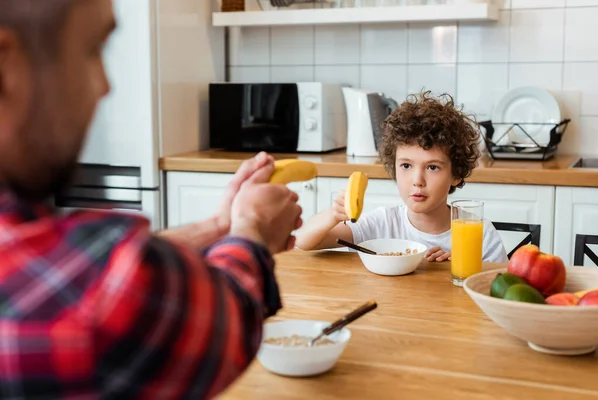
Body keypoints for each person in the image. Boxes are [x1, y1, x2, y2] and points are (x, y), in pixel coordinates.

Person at [0, 0, 301, 398]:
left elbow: (69, 267)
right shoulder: (104, 296)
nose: (106, 86)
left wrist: (218, 227)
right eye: (93, 50)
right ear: (6, 68)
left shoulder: (44, 258)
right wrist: (253, 231)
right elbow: (228, 317)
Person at [296, 91, 508, 263]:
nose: (417, 180)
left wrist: (464, 267)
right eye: (406, 165)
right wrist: (333, 214)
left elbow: (497, 288)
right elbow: (303, 242)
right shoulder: (382, 223)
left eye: (433, 167)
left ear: (456, 174)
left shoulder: (479, 233)